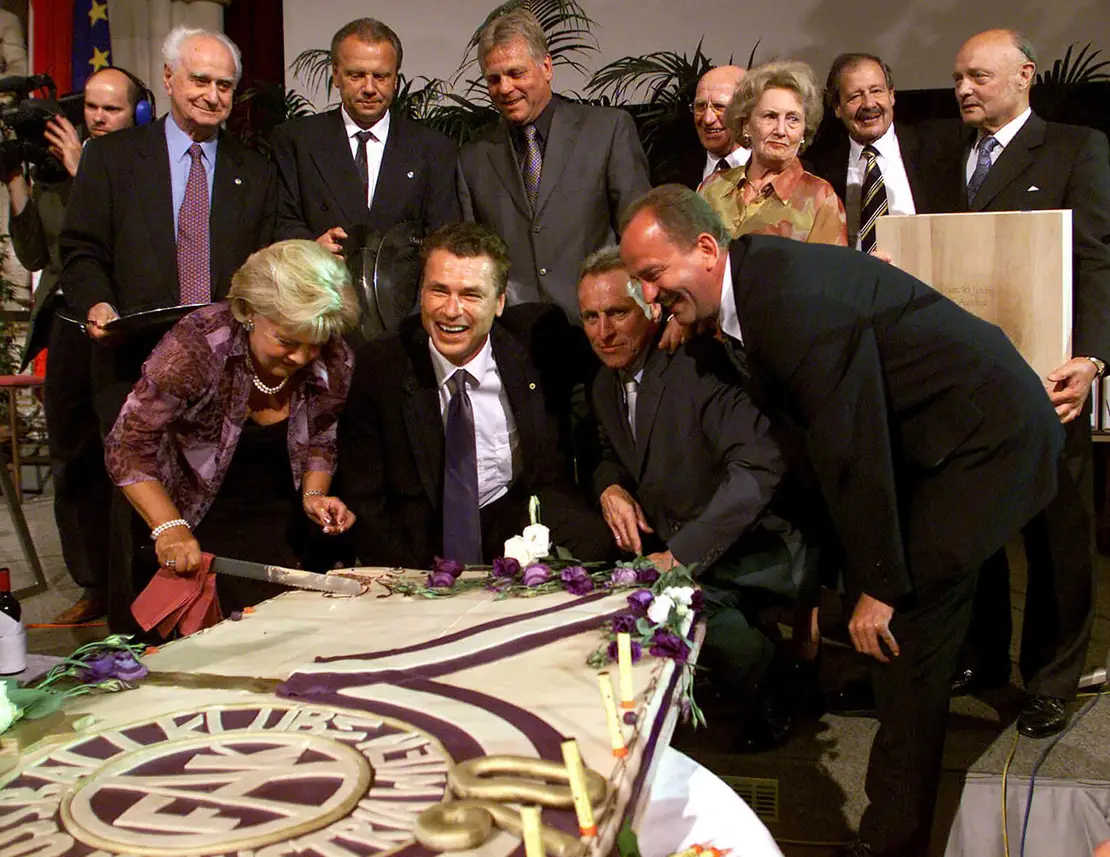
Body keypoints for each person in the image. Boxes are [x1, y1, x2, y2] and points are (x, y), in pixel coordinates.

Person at [619, 185, 1063, 857]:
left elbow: (851, 446)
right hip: (927, 439)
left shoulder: (791, 304)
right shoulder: (751, 280)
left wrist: (881, 584)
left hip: (981, 443)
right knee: (900, 623)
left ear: (707, 249)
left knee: (910, 628)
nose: (650, 299)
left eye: (655, 278)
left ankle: (890, 843)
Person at [580, 246, 816, 750]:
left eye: (617, 313)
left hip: (754, 546)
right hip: (679, 540)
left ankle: (774, 679)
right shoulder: (604, 383)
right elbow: (608, 449)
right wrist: (609, 486)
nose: (604, 332)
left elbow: (758, 468)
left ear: (649, 307)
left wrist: (681, 556)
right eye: (591, 317)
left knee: (682, 608)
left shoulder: (698, 366)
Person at [943, 29, 1110, 739]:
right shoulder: (943, 157)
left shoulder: (1075, 147)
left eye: (978, 76)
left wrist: (1096, 359)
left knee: (1057, 536)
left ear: (1024, 77)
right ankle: (980, 660)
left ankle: (1050, 681)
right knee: (975, 526)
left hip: (1050, 376)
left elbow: (1099, 260)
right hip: (968, 383)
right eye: (956, 77)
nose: (963, 89)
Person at [103, 240, 359, 612]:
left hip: (278, 523)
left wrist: (314, 496)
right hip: (190, 517)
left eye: (313, 344)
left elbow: (321, 436)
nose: (302, 357)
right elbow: (127, 445)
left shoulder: (335, 357)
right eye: (287, 341)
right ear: (249, 311)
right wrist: (168, 527)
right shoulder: (198, 345)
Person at [338, 221, 611, 568]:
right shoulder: (382, 366)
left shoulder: (537, 338)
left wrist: (607, 481)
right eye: (439, 290)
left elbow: (608, 369)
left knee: (594, 545)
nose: (451, 311)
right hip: (421, 539)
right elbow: (366, 496)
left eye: (470, 295)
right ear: (421, 293)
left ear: (499, 302)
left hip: (517, 519)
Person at [59, 25, 276, 430]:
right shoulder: (111, 158)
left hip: (222, 375)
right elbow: (81, 249)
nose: (212, 96)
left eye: (224, 85)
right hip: (132, 368)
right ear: (168, 78)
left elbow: (262, 264)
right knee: (136, 492)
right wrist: (97, 302)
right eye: (200, 80)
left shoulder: (256, 171)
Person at [4, 67, 144, 625]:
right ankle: (91, 585)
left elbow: (129, 247)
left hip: (117, 323)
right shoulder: (56, 173)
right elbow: (37, 255)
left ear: (134, 112)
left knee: (122, 455)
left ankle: (126, 584)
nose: (98, 117)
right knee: (73, 457)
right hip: (66, 325)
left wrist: (86, 173)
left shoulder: (137, 165)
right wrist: (15, 182)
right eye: (91, 107)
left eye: (111, 108)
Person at [456, 7, 650, 321]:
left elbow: (639, 234)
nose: (505, 88)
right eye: (494, 79)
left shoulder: (608, 130)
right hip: (515, 336)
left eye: (516, 73)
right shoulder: (473, 159)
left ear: (546, 67)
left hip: (600, 327)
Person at [271, 18, 459, 252]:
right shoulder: (295, 140)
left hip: (403, 285)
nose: (369, 88)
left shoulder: (434, 149)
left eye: (380, 76)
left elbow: (444, 238)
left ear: (395, 80)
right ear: (336, 75)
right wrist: (310, 249)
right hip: (321, 283)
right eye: (356, 75)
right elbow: (280, 220)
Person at [809, 53, 959, 251]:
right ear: (837, 107)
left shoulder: (939, 147)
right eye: (855, 96)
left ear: (892, 95)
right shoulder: (820, 171)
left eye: (877, 91)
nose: (869, 104)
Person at [699, 60, 847, 245]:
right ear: (746, 124)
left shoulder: (820, 198)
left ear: (804, 130)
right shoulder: (712, 188)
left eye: (793, 119)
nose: (781, 130)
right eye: (770, 116)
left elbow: (830, 271)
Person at [689, 65, 750, 186]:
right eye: (700, 106)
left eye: (719, 107)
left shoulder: (770, 169)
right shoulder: (672, 171)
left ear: (747, 111)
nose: (707, 119)